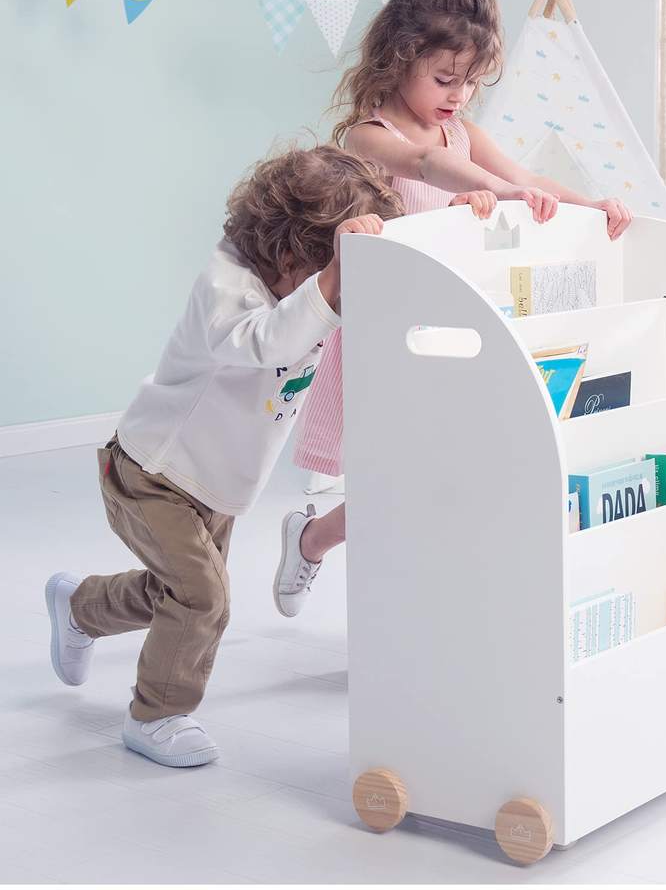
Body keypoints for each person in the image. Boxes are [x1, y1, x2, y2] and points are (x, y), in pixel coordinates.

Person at [277, 0, 632, 618]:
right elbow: (428, 165)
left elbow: (526, 176)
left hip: (456, 329)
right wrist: (496, 190)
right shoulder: (368, 135)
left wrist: (590, 204)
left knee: (450, 466)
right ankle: (312, 541)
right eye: (445, 79)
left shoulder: (464, 134)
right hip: (388, 333)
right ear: (398, 57)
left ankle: (439, 597)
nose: (459, 96)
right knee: (395, 476)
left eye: (470, 82)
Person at [45, 145, 403, 768]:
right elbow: (266, 344)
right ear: (289, 254)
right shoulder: (226, 287)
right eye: (328, 276)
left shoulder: (303, 288)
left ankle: (80, 607)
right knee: (203, 598)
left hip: (217, 484)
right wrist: (333, 277)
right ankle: (156, 715)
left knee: (177, 593)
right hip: (154, 473)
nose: (336, 298)